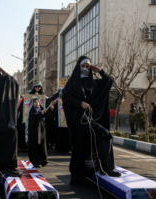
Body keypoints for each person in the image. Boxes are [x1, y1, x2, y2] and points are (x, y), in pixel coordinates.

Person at [62, 56, 121, 187]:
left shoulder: (94, 83)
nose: (85, 69)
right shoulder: (72, 83)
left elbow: (109, 80)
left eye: (87, 66)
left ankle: (106, 168)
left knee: (104, 135)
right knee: (79, 148)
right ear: (78, 67)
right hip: (78, 121)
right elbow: (66, 98)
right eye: (83, 66)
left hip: (91, 120)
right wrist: (80, 103)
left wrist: (100, 71)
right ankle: (77, 177)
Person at [26, 98, 54, 167]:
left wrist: (50, 108)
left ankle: (42, 161)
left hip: (41, 131)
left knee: (41, 146)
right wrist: (42, 112)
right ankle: (36, 162)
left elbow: (45, 114)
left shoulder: (41, 109)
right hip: (34, 132)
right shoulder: (32, 111)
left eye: (37, 102)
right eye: (35, 102)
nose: (36, 103)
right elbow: (36, 116)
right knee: (35, 147)